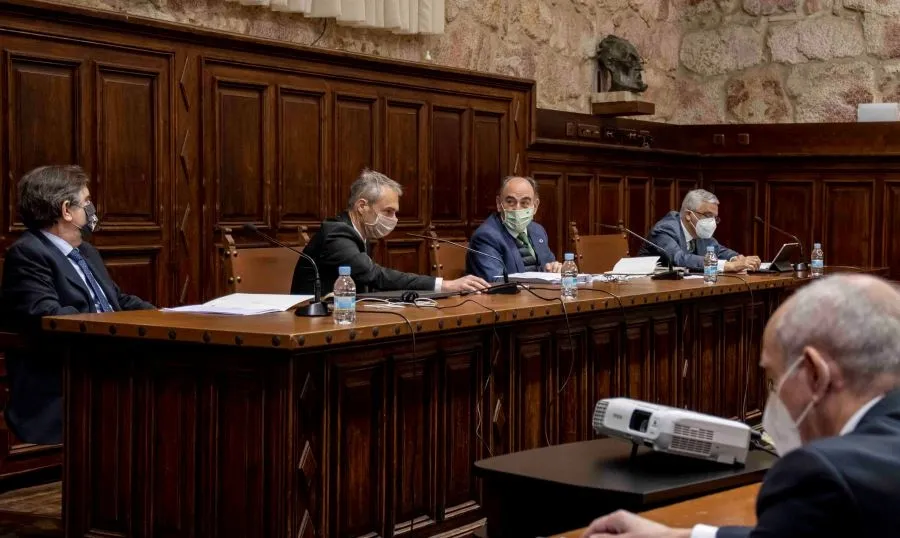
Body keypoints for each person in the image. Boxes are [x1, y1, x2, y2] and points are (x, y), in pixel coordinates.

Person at [581, 273, 900, 538]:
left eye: (774, 379)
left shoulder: (821, 475)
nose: (771, 398)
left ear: (815, 374)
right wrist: (675, 536)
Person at [1, 165, 155, 445]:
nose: (92, 211)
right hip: (69, 381)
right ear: (66, 211)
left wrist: (165, 317)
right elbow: (49, 316)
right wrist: (114, 329)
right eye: (86, 203)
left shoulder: (86, 252)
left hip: (107, 365)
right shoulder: (28, 254)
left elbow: (116, 300)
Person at [291, 169, 489, 295]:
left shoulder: (360, 232)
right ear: (362, 206)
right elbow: (374, 275)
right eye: (388, 211)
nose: (393, 219)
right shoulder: (337, 234)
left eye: (395, 212)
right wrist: (444, 285)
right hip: (314, 324)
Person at [639, 189, 761, 273]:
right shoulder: (665, 230)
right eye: (708, 215)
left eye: (714, 217)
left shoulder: (700, 233)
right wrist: (727, 266)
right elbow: (679, 259)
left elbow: (718, 250)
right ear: (688, 215)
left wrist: (736, 259)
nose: (712, 221)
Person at [467, 176, 560, 281]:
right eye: (511, 202)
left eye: (525, 203)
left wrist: (555, 269)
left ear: (535, 206)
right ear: (498, 203)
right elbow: (496, 282)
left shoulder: (538, 231)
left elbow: (549, 269)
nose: (517, 209)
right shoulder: (485, 237)